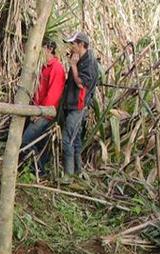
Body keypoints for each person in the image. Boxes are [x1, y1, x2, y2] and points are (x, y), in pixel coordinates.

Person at [20, 40, 66, 175]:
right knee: (33, 142)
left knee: (25, 141)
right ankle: (34, 169)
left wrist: (39, 113)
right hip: (38, 110)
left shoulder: (56, 68)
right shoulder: (44, 66)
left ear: (49, 48)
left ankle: (39, 170)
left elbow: (53, 95)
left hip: (45, 114)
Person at [61, 32, 98, 183]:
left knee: (67, 139)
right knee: (75, 139)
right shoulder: (80, 59)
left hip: (78, 106)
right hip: (73, 104)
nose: (71, 47)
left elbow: (82, 84)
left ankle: (68, 175)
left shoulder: (88, 62)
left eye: (73, 44)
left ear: (81, 44)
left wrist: (74, 67)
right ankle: (78, 171)